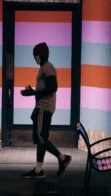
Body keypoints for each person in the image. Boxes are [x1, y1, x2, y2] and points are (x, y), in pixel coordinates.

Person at [20, 42, 72, 179]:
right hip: (44, 107)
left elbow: (53, 87)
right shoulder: (45, 67)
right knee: (41, 139)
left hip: (44, 107)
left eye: (35, 55)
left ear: (41, 55)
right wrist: (33, 92)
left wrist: (33, 93)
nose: (34, 57)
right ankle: (38, 170)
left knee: (40, 138)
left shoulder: (47, 68)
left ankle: (62, 158)